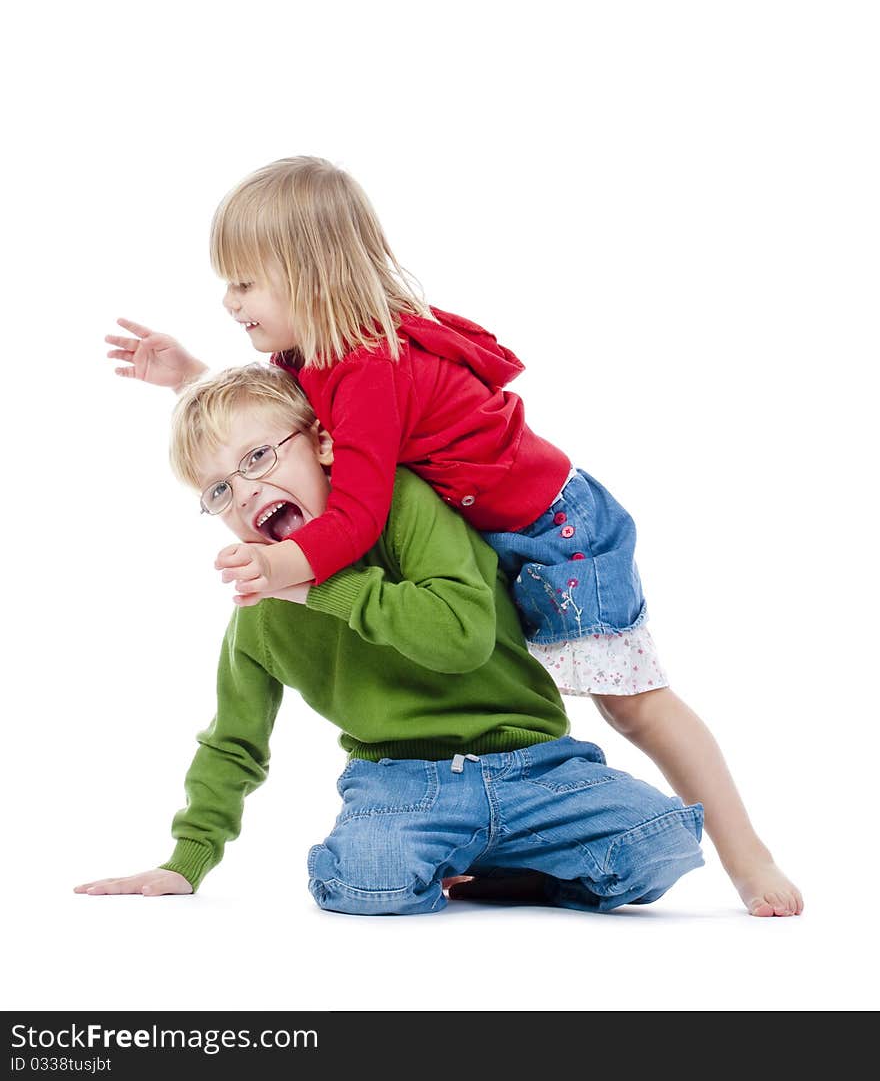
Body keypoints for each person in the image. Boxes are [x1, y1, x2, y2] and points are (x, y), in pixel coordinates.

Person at [105, 155, 802, 917]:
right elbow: (269, 431)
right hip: (491, 533)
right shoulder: (314, 360)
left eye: (243, 280)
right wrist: (191, 378)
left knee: (633, 704)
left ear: (308, 274)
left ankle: (747, 854)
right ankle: (502, 857)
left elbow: (357, 518)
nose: (230, 300)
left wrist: (289, 571)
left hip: (556, 533)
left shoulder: (367, 369)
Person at [75, 364, 704, 913]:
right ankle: (445, 857)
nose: (245, 492)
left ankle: (515, 873)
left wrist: (323, 588)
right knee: (369, 882)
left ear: (323, 443)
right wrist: (188, 858)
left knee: (665, 843)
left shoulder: (405, 507)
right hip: (401, 781)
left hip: (535, 765)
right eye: (218, 491)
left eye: (259, 460)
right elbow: (234, 740)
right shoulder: (261, 613)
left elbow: (460, 638)